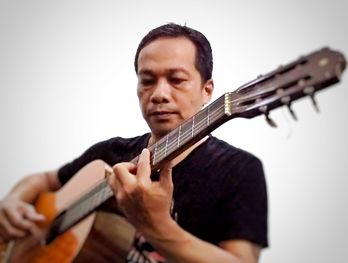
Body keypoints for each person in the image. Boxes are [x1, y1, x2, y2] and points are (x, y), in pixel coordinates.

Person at [0, 23, 268, 262]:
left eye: (176, 80)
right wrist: (11, 201)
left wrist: (159, 227)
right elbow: (44, 181)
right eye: (148, 81)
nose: (159, 94)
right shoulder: (109, 154)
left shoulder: (239, 170)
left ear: (207, 90)